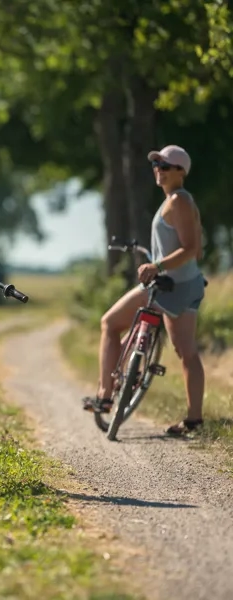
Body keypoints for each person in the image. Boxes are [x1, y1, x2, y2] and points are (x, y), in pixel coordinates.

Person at [83, 145, 206, 436]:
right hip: (186, 285)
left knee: (110, 323)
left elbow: (192, 249)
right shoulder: (174, 200)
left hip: (169, 285)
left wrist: (157, 265)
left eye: (165, 166)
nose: (158, 170)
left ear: (181, 172)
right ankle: (193, 420)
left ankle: (105, 394)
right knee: (186, 352)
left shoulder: (179, 201)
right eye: (156, 165)